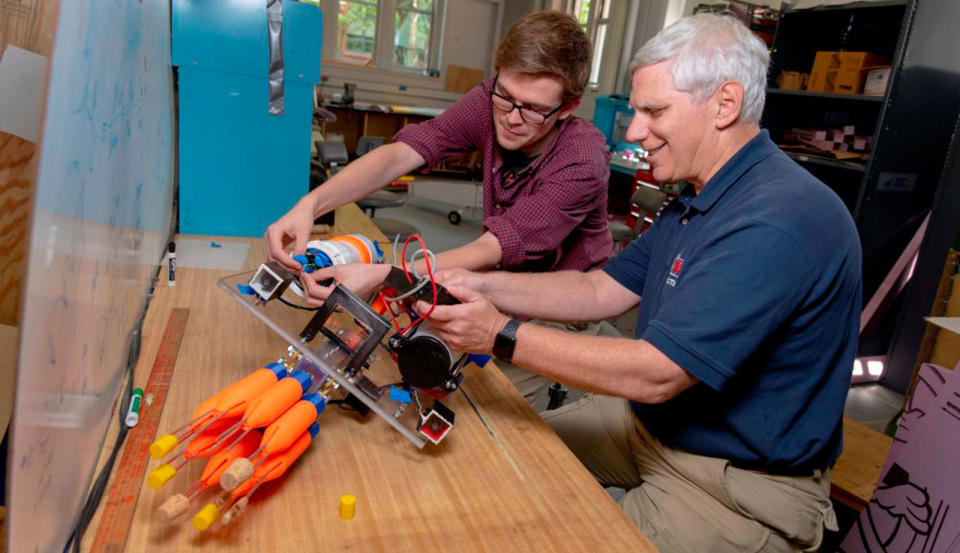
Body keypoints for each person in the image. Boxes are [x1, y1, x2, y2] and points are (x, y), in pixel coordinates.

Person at [415, 14, 862, 553]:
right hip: (651, 429)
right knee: (498, 455)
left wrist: (498, 334)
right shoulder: (703, 194)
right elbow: (600, 290)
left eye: (654, 111)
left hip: (731, 482)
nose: (631, 130)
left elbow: (657, 375)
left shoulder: (776, 220)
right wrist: (480, 285)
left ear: (725, 104)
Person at [265, 11, 614, 406]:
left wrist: (389, 276)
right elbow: (402, 154)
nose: (511, 118)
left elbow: (498, 244)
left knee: (484, 410)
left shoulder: (583, 159)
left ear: (568, 107)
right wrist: (311, 203)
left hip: (560, 310)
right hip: (496, 285)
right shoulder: (491, 99)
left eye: (533, 109)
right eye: (505, 97)